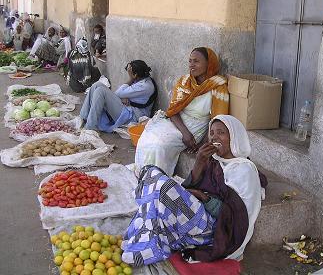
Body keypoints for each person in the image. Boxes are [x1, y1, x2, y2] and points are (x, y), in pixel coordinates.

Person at [122, 115, 267, 266]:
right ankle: (143, 233)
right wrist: (199, 162)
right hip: (198, 214)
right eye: (212, 133)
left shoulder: (244, 170)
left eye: (221, 133)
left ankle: (148, 246)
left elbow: (233, 216)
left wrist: (203, 197)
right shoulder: (213, 161)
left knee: (164, 188)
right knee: (150, 172)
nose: (214, 137)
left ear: (235, 138)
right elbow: (187, 187)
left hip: (215, 230)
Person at [134, 47, 229, 177]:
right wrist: (185, 134)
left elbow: (217, 119)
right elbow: (174, 110)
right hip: (178, 121)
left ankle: (158, 182)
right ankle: (144, 178)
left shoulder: (218, 86)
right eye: (190, 61)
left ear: (209, 64)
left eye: (196, 61)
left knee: (159, 145)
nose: (191, 65)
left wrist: (204, 143)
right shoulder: (184, 81)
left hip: (196, 126)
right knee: (147, 137)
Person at [80, 60, 157, 131]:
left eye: (130, 72)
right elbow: (121, 95)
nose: (128, 73)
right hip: (128, 109)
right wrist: (122, 99)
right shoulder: (142, 81)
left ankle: (90, 128)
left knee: (101, 91)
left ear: (135, 74)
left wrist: (131, 79)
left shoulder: (144, 86)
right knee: (97, 85)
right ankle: (83, 117)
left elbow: (118, 93)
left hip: (133, 117)